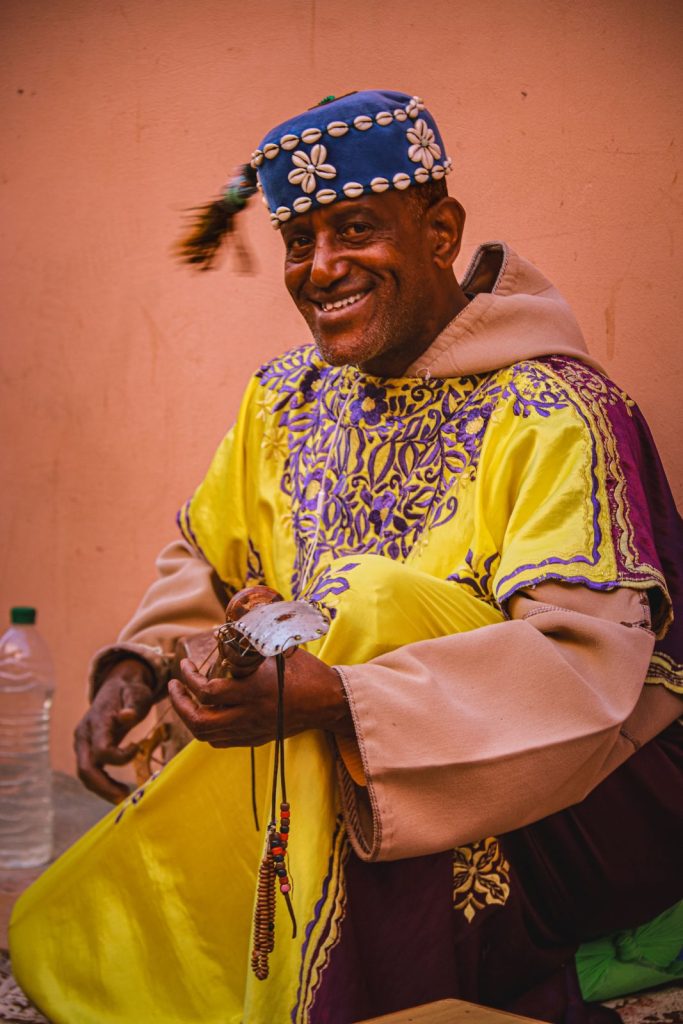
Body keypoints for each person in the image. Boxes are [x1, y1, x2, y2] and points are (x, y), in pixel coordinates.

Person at [10, 90, 683, 1024]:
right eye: (297, 241)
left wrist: (344, 699)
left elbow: (586, 675)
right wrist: (142, 664)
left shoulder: (553, 411)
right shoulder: (284, 397)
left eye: (355, 229)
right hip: (343, 791)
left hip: (580, 814)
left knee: (361, 602)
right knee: (83, 934)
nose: (320, 269)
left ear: (439, 229)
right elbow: (205, 560)